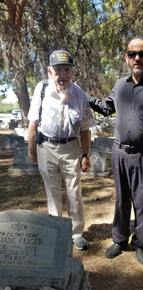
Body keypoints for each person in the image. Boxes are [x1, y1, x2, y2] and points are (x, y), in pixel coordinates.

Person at [89, 36, 143, 264]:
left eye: (142, 53)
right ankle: (119, 240)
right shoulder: (120, 85)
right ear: (126, 57)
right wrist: (84, 96)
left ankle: (140, 243)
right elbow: (106, 107)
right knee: (122, 199)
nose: (137, 58)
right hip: (119, 152)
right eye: (132, 54)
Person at [28, 49, 94, 250]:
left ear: (72, 72)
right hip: (45, 146)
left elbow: (85, 129)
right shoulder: (41, 89)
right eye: (58, 71)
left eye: (66, 70)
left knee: (74, 191)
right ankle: (57, 232)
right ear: (49, 71)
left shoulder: (80, 94)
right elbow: (33, 123)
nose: (62, 75)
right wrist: (31, 149)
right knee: (52, 191)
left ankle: (76, 233)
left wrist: (85, 154)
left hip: (71, 148)